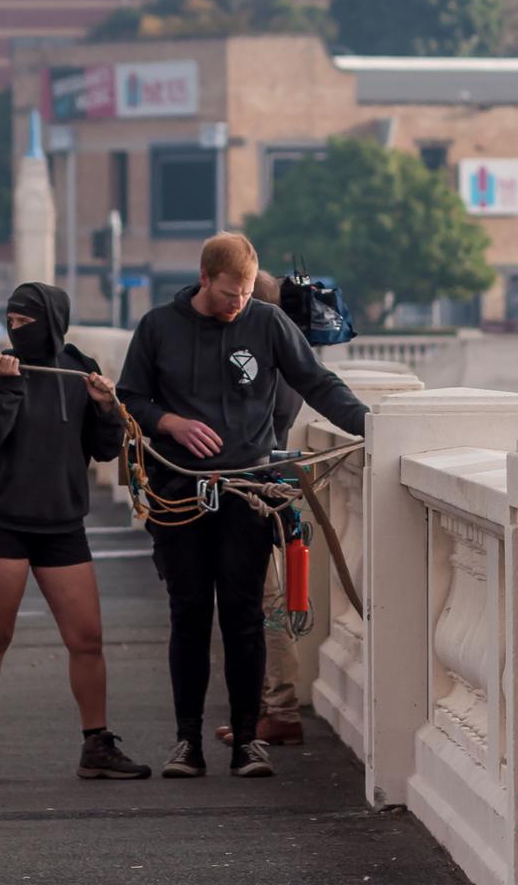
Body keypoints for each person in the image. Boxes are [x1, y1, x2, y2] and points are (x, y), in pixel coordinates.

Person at [116, 233, 369, 778]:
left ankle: (248, 741)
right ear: (204, 279)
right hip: (181, 493)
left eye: (248, 293)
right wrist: (170, 422)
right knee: (188, 616)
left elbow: (317, 382)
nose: (238, 304)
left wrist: (374, 424)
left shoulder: (267, 322)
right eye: (230, 293)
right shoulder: (160, 326)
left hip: (247, 492)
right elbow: (129, 396)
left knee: (245, 618)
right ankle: (187, 742)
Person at [0, 282, 151, 785]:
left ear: (51, 321)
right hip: (1, 522)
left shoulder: (76, 371)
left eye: (26, 322)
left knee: (87, 639)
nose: (15, 330)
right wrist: (6, 387)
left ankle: (97, 746)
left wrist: (107, 408)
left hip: (62, 524)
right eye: (10, 322)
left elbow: (105, 451)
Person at [215, 270, 306, 749]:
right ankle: (268, 709)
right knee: (261, 605)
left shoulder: (266, 361)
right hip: (261, 491)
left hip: (255, 494)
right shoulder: (280, 360)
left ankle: (281, 708)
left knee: (266, 607)